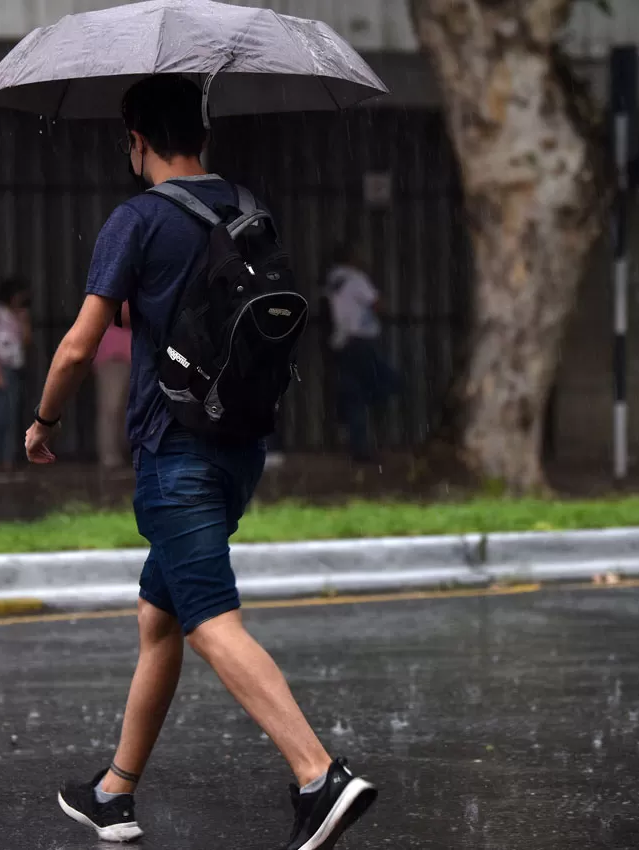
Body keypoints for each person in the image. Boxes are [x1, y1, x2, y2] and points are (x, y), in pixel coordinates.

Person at [24, 75, 376, 850]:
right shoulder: (248, 207)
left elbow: (81, 345)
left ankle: (320, 777)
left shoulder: (138, 219)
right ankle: (115, 792)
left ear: (136, 140)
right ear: (204, 135)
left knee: (212, 621)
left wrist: (43, 420)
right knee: (161, 618)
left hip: (174, 452)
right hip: (238, 447)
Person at [324, 240, 398, 463]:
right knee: (390, 383)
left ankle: (357, 443)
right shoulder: (356, 278)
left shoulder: (333, 278)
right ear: (350, 257)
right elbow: (377, 304)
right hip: (360, 343)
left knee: (353, 393)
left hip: (342, 342)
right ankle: (357, 425)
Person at [0, 277, 32, 479]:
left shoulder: (18, 316)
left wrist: (24, 320)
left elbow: (26, 341)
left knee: (11, 418)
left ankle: (7, 462)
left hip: (15, 368)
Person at [95, 304, 133, 470]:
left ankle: (122, 453)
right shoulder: (109, 289)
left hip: (133, 353)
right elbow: (124, 315)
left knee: (126, 408)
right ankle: (109, 455)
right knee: (112, 407)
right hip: (114, 355)